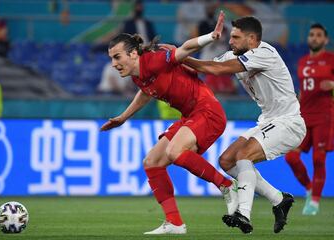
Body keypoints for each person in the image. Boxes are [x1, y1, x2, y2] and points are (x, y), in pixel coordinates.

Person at [101, 11, 238, 235]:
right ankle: (174, 222)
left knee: (175, 151)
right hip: (190, 116)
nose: (114, 63)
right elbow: (146, 93)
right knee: (152, 162)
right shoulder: (138, 74)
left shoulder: (153, 60)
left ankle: (227, 186)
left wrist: (210, 37)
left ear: (133, 53)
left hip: (207, 111)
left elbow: (182, 50)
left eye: (117, 57)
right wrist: (123, 117)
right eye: (111, 59)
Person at [182, 16, 306, 234]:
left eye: (236, 37)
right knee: (227, 160)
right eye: (231, 37)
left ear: (252, 39)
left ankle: (243, 214)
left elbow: (215, 69)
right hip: (268, 120)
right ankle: (279, 199)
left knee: (244, 156)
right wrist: (171, 57)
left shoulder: (265, 53)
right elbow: (206, 67)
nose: (231, 41)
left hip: (289, 122)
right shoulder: (233, 55)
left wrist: (181, 58)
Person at [285, 23, 334, 216]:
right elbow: (304, 90)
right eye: (311, 34)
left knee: (318, 159)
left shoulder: (331, 59)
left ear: (325, 40)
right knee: (291, 157)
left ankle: (314, 202)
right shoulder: (303, 61)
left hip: (324, 117)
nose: (314, 38)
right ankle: (309, 188)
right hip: (303, 118)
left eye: (318, 35)